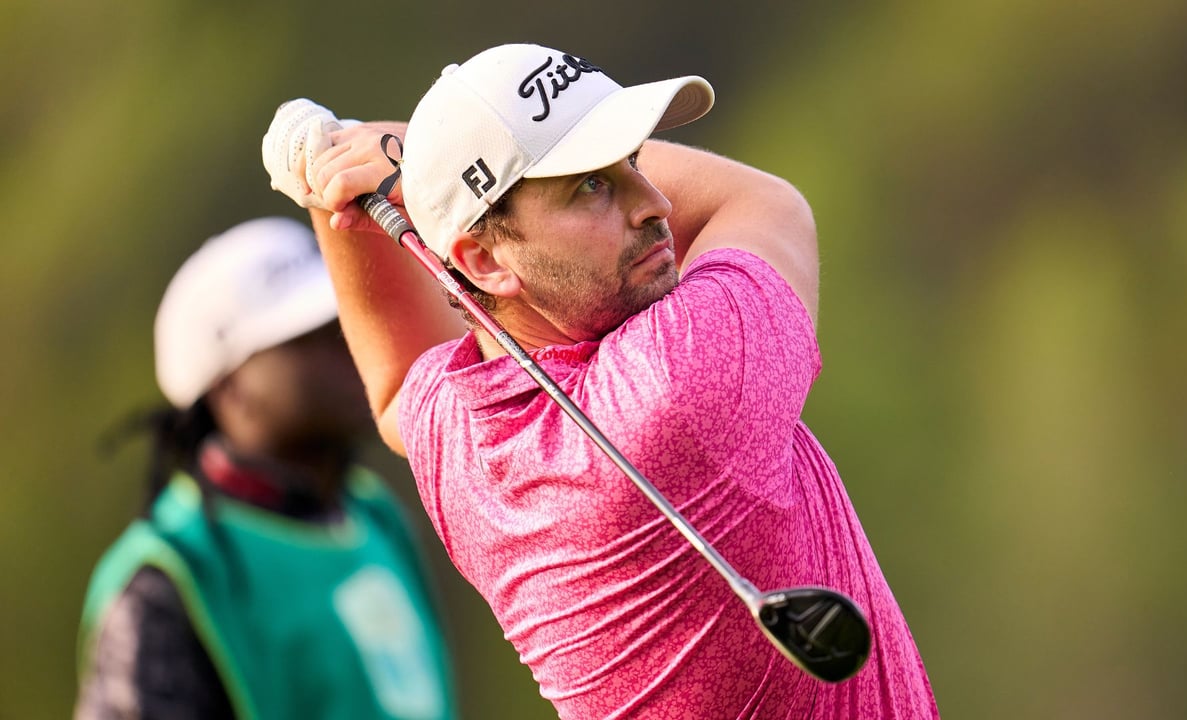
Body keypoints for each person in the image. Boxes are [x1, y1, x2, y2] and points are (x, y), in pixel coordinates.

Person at [261, 43, 938, 718]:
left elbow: (395, 387)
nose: (657, 202)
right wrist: (411, 153)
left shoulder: (459, 437)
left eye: (634, 161)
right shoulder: (682, 377)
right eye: (591, 184)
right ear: (482, 260)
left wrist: (343, 207)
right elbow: (767, 203)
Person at [75, 217, 460, 719]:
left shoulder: (371, 512)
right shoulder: (170, 575)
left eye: (347, 317)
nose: (353, 344)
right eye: (311, 335)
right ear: (228, 386)